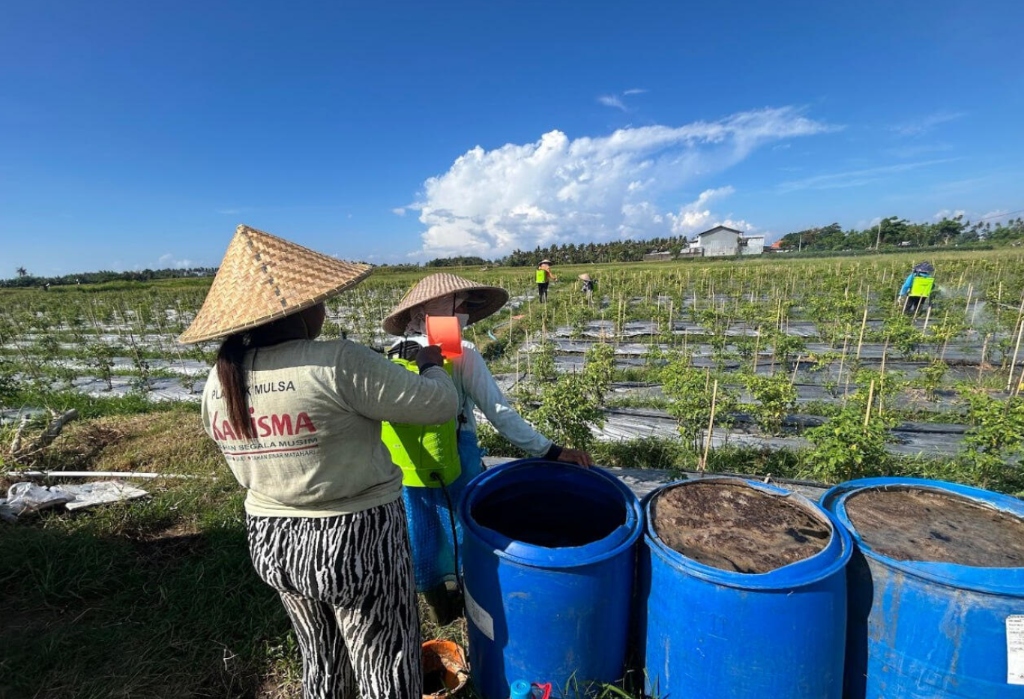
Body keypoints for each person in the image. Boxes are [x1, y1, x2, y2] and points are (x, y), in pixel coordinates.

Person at [180, 225, 458, 699]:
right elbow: (439, 404)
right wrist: (431, 361)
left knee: (322, 658)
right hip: (355, 536)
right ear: (304, 307)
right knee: (384, 658)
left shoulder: (218, 380)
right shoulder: (338, 362)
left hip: (272, 539)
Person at [382, 272, 593, 621]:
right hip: (455, 454)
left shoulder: (393, 352)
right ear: (435, 310)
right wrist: (551, 451)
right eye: (459, 303)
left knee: (424, 533)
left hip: (406, 464)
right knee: (462, 529)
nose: (465, 310)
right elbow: (499, 412)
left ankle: (438, 610)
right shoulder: (460, 352)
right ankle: (472, 605)